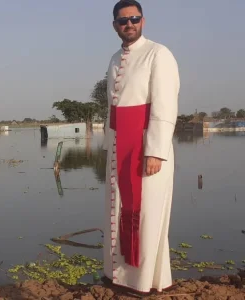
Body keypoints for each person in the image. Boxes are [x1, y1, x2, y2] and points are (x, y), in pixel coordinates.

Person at [102, 0, 180, 294]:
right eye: (123, 21)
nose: (129, 24)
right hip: (120, 146)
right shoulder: (113, 59)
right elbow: (113, 109)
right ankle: (120, 275)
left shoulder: (158, 54)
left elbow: (165, 104)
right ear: (115, 26)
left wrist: (155, 150)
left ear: (143, 21)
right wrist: (110, 149)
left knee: (146, 215)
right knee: (117, 210)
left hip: (145, 145)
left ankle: (140, 281)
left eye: (134, 18)